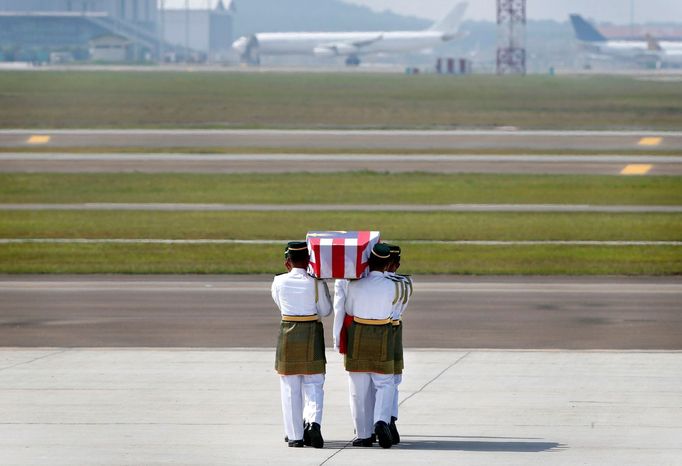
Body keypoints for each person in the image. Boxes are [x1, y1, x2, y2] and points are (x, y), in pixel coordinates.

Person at [271, 241, 332, 448]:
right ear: (308, 261)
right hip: (311, 333)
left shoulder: (279, 281)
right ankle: (313, 423)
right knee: (314, 384)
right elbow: (325, 311)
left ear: (287, 262)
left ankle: (295, 435)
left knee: (290, 387)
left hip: (288, 332)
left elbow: (280, 304)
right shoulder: (316, 283)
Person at [343, 243, 400, 449]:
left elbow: (348, 308)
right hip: (383, 332)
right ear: (387, 265)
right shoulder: (393, 285)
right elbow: (395, 309)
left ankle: (363, 434)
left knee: (358, 388)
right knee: (384, 383)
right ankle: (381, 420)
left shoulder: (355, 284)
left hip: (359, 333)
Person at [384, 244, 413, 445]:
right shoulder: (403, 282)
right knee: (393, 379)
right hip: (395, 329)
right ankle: (391, 419)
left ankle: (384, 420)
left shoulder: (382, 283)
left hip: (382, 328)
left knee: (382, 381)